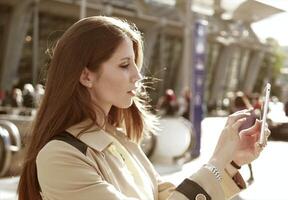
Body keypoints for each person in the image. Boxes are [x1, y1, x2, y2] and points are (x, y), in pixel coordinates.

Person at [17, 16, 270, 200]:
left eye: (135, 64)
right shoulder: (59, 156)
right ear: (86, 76)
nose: (138, 75)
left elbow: (169, 196)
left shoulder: (119, 139)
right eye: (125, 64)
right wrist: (217, 160)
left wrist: (231, 159)